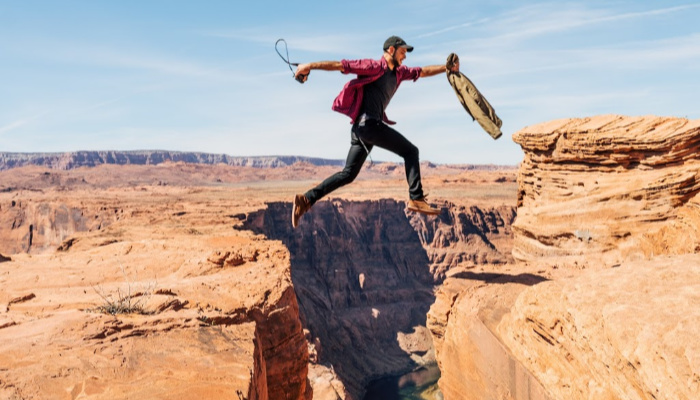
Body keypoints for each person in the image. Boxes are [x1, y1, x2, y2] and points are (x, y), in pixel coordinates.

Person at [292, 35, 458, 228]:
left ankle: (306, 200)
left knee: (348, 174)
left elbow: (422, 71)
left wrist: (446, 69)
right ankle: (416, 198)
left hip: (361, 131)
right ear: (391, 50)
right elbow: (340, 65)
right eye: (403, 52)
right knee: (411, 151)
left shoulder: (399, 73)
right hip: (368, 126)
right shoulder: (373, 66)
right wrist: (309, 65)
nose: (405, 56)